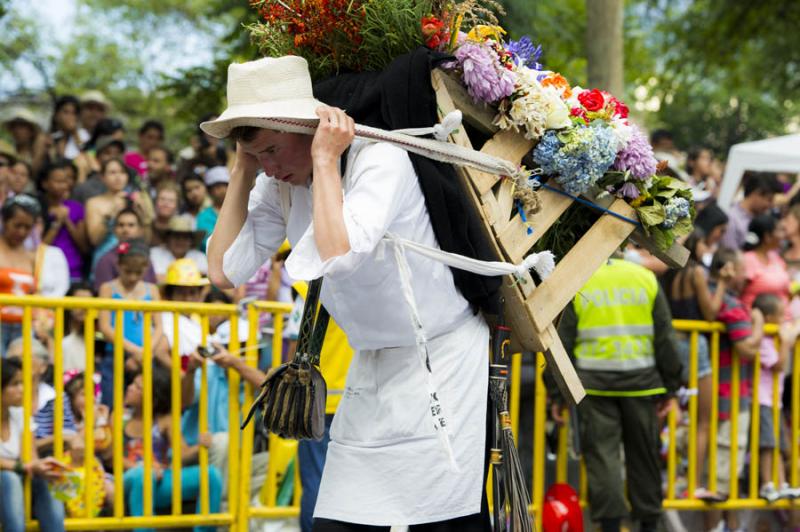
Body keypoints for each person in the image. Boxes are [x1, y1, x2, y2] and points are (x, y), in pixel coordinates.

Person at [205, 56, 491, 528]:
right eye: (260, 156)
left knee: (443, 521)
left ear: (310, 127)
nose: (271, 168)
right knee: (339, 523)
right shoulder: (277, 180)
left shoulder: (381, 157)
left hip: (442, 357)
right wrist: (243, 171)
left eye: (274, 150)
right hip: (373, 363)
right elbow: (222, 271)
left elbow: (338, 256)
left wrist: (324, 159)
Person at [552, 257, 682, 532]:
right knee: (644, 458)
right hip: (641, 385)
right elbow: (665, 337)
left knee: (603, 458)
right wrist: (670, 387)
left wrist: (556, 392)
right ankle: (649, 523)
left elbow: (563, 339)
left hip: (594, 387)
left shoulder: (581, 277)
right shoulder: (645, 278)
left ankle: (610, 525)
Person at [660, 231, 732, 502]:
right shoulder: (696, 274)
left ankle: (664, 480)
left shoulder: (668, 272)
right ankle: (695, 483)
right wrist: (722, 283)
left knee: (667, 413)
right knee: (702, 422)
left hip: (672, 344)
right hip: (695, 345)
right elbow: (711, 311)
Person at [705, 247, 765, 531]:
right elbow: (746, 349)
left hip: (717, 394)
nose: (747, 276)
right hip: (730, 396)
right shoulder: (730, 303)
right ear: (729, 268)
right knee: (721, 478)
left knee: (718, 477)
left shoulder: (714, 296)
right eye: (743, 269)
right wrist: (759, 324)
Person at [122, 365, 222, 531]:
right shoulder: (119, 416)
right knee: (143, 476)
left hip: (161, 481)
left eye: (137, 387)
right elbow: (112, 456)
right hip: (131, 480)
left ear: (152, 398)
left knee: (211, 475)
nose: (129, 388)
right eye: (132, 384)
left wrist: (200, 445)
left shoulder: (165, 419)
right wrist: (143, 468)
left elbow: (182, 454)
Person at [0, 357, 66, 532]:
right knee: (9, 478)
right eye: (15, 384)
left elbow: (30, 458)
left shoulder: (20, 414)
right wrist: (20, 467)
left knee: (44, 479)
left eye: (23, 383)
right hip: (9, 482)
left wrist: (44, 466)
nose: (22, 390)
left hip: (17, 484)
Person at [97, 239, 164, 409]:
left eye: (138, 272)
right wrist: (135, 351)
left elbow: (159, 327)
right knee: (112, 402)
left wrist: (146, 351)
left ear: (146, 267)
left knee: (147, 405)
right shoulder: (107, 288)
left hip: (146, 355)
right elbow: (105, 327)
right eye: (128, 271)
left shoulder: (152, 289)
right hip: (116, 355)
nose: (133, 277)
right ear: (118, 265)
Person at [751, 294, 800, 502]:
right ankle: (767, 484)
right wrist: (787, 344)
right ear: (769, 318)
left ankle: (781, 483)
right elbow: (779, 365)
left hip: (774, 400)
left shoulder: (774, 336)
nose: (783, 320)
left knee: (779, 442)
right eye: (781, 316)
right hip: (762, 400)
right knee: (768, 443)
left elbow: (794, 325)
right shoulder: (764, 340)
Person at [5, 337, 79, 454]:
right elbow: (14, 446)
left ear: (43, 366)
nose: (19, 364)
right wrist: (53, 439)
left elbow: (70, 435)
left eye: (25, 357)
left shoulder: (55, 396)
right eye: (13, 360)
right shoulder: (5, 398)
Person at [85, 157, 154, 270]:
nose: (118, 177)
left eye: (122, 172)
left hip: (134, 259)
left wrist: (143, 213)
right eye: (112, 172)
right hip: (105, 258)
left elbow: (146, 240)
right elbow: (94, 240)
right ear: (102, 177)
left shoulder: (136, 199)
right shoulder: (94, 203)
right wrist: (112, 212)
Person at [0, 194, 40, 353]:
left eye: (27, 227)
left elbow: (34, 293)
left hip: (22, 326)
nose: (22, 232)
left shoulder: (32, 256)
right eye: (17, 225)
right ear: (5, 222)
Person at [39, 159, 88, 281]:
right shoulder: (38, 208)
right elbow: (40, 247)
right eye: (58, 181)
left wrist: (67, 220)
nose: (63, 185)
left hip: (73, 271)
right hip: (45, 271)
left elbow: (84, 246)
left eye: (65, 181)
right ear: (45, 183)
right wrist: (57, 223)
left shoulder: (76, 208)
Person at [92, 207, 158, 291]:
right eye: (121, 225)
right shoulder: (106, 260)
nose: (125, 229)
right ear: (114, 230)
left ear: (140, 230)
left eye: (131, 225)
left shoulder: (146, 258)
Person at [740, 214, 791, 315]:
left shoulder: (776, 258)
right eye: (779, 230)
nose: (783, 235)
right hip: (757, 324)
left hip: (782, 323)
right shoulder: (747, 260)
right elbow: (737, 293)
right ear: (767, 236)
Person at [721, 172, 781, 250]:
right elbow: (730, 254)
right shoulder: (731, 219)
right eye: (769, 200)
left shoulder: (765, 218)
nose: (771, 205)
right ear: (757, 193)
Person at [149, 215, 208, 283]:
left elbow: (205, 282)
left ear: (191, 241)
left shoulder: (200, 257)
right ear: (167, 238)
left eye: (185, 237)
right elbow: (153, 279)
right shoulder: (154, 254)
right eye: (176, 236)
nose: (180, 241)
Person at [3, 107, 48, 175]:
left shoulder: (41, 152)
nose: (17, 131)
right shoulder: (6, 151)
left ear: (31, 131)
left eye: (22, 127)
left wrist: (39, 151)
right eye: (14, 127)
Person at [62, 282, 94, 372]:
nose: (84, 307)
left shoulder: (98, 334)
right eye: (79, 301)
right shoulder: (54, 329)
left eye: (89, 303)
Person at [196, 166, 228, 252]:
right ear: (209, 191)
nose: (223, 190)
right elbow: (205, 243)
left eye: (226, 186)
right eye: (218, 187)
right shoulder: (203, 216)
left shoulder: (240, 211)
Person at [49, 95, 89, 161]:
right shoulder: (50, 137)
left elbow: (86, 154)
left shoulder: (83, 134)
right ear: (56, 115)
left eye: (74, 113)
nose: (70, 117)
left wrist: (74, 133)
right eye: (66, 112)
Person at [150, 181, 182, 246]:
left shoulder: (182, 228)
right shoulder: (147, 226)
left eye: (171, 201)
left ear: (177, 205)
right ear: (155, 202)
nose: (166, 204)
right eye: (162, 199)